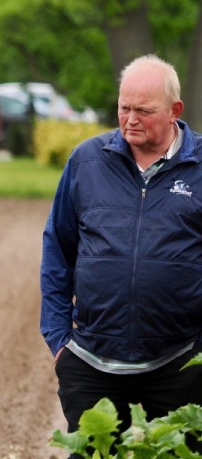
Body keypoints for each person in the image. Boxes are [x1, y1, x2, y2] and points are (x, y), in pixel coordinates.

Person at [41, 55, 202, 442]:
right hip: (92, 362)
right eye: (124, 107)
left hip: (180, 364)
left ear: (174, 111)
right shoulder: (87, 161)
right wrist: (59, 339)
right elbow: (58, 250)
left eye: (144, 111)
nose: (130, 119)